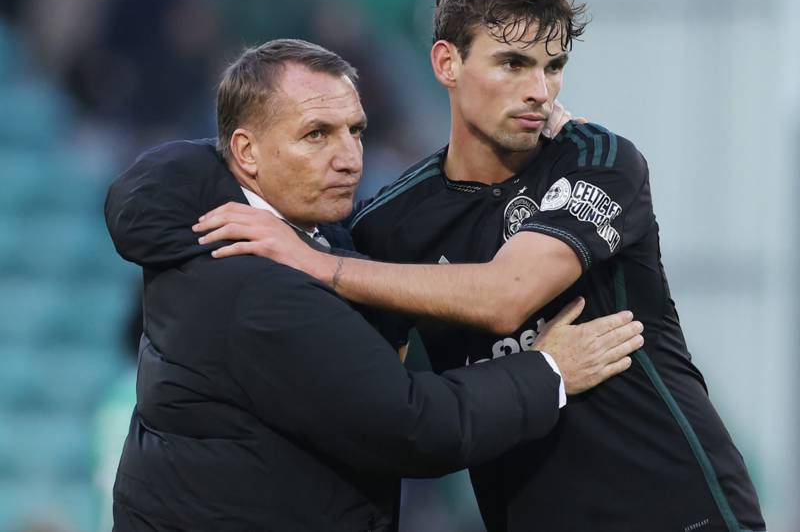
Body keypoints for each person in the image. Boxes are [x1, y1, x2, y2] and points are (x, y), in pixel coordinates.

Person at [195, 0, 766, 532]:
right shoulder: (390, 225)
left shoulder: (598, 160)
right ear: (447, 62)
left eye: (553, 66)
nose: (539, 90)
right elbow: (381, 409)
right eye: (513, 63)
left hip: (681, 511)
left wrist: (319, 264)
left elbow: (507, 295)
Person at [104, 39, 643, 531]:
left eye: (356, 130)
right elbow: (415, 427)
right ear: (246, 153)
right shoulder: (258, 288)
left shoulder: (270, 225)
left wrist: (539, 160)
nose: (349, 159)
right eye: (316, 135)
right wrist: (548, 371)